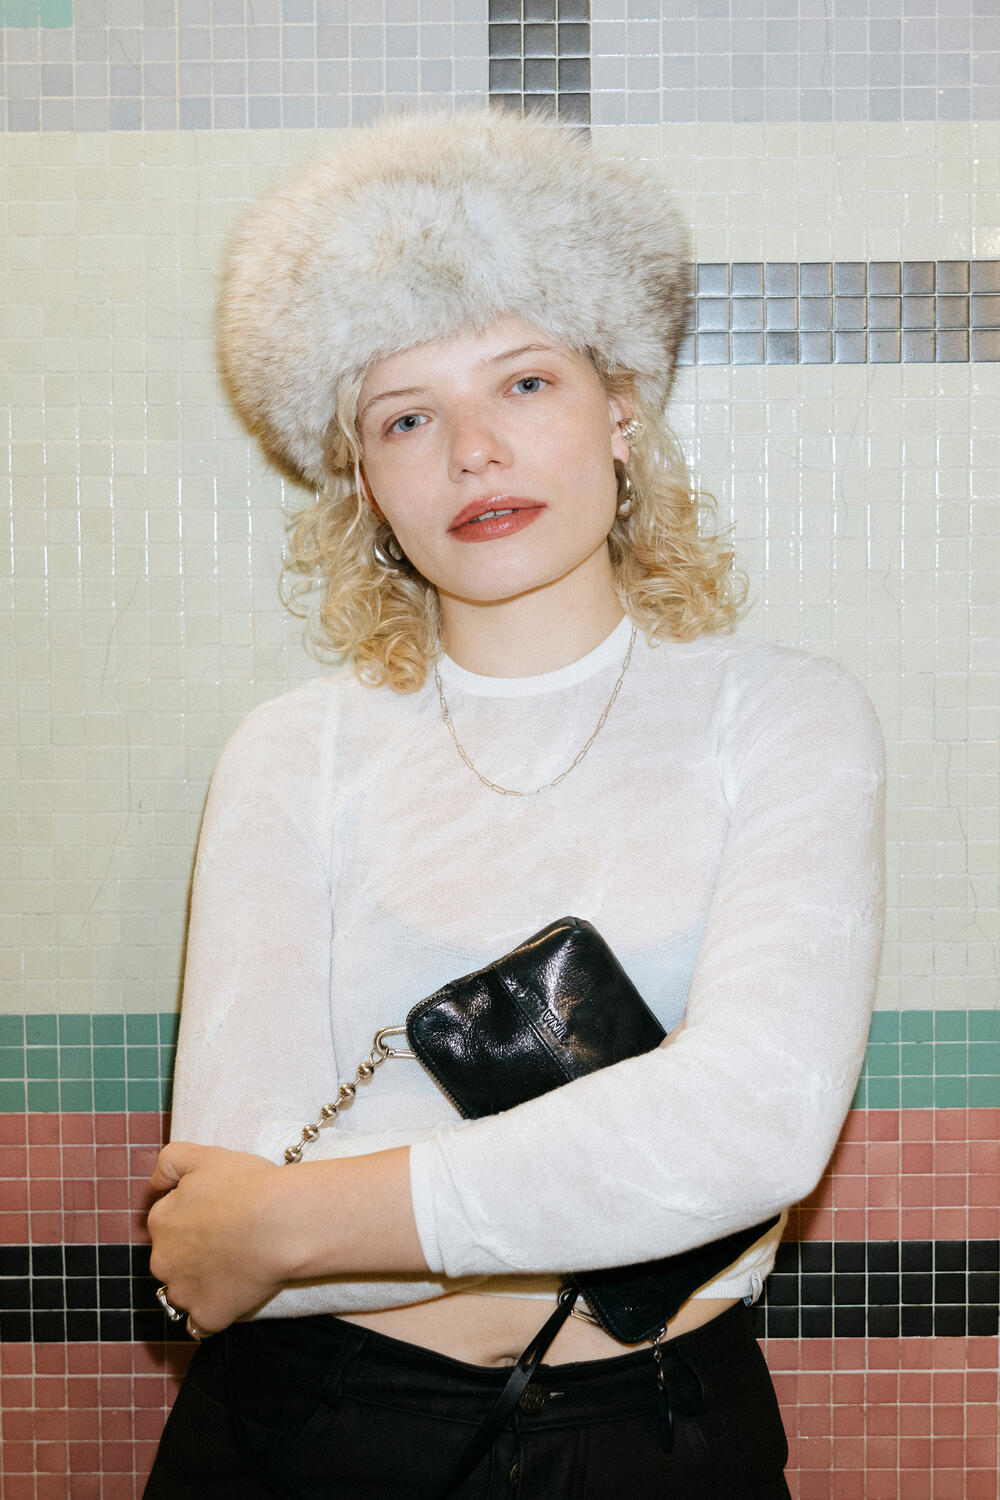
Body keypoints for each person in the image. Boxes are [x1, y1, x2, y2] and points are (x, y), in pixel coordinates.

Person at [144, 110, 885, 1499]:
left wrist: (306, 1222)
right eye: (407, 416)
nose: (473, 452)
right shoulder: (295, 750)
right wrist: (607, 1172)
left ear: (622, 409)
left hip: (659, 1436)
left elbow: (753, 1130)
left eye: (525, 383)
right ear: (364, 481)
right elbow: (223, 1230)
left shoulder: (784, 716)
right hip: (318, 1430)